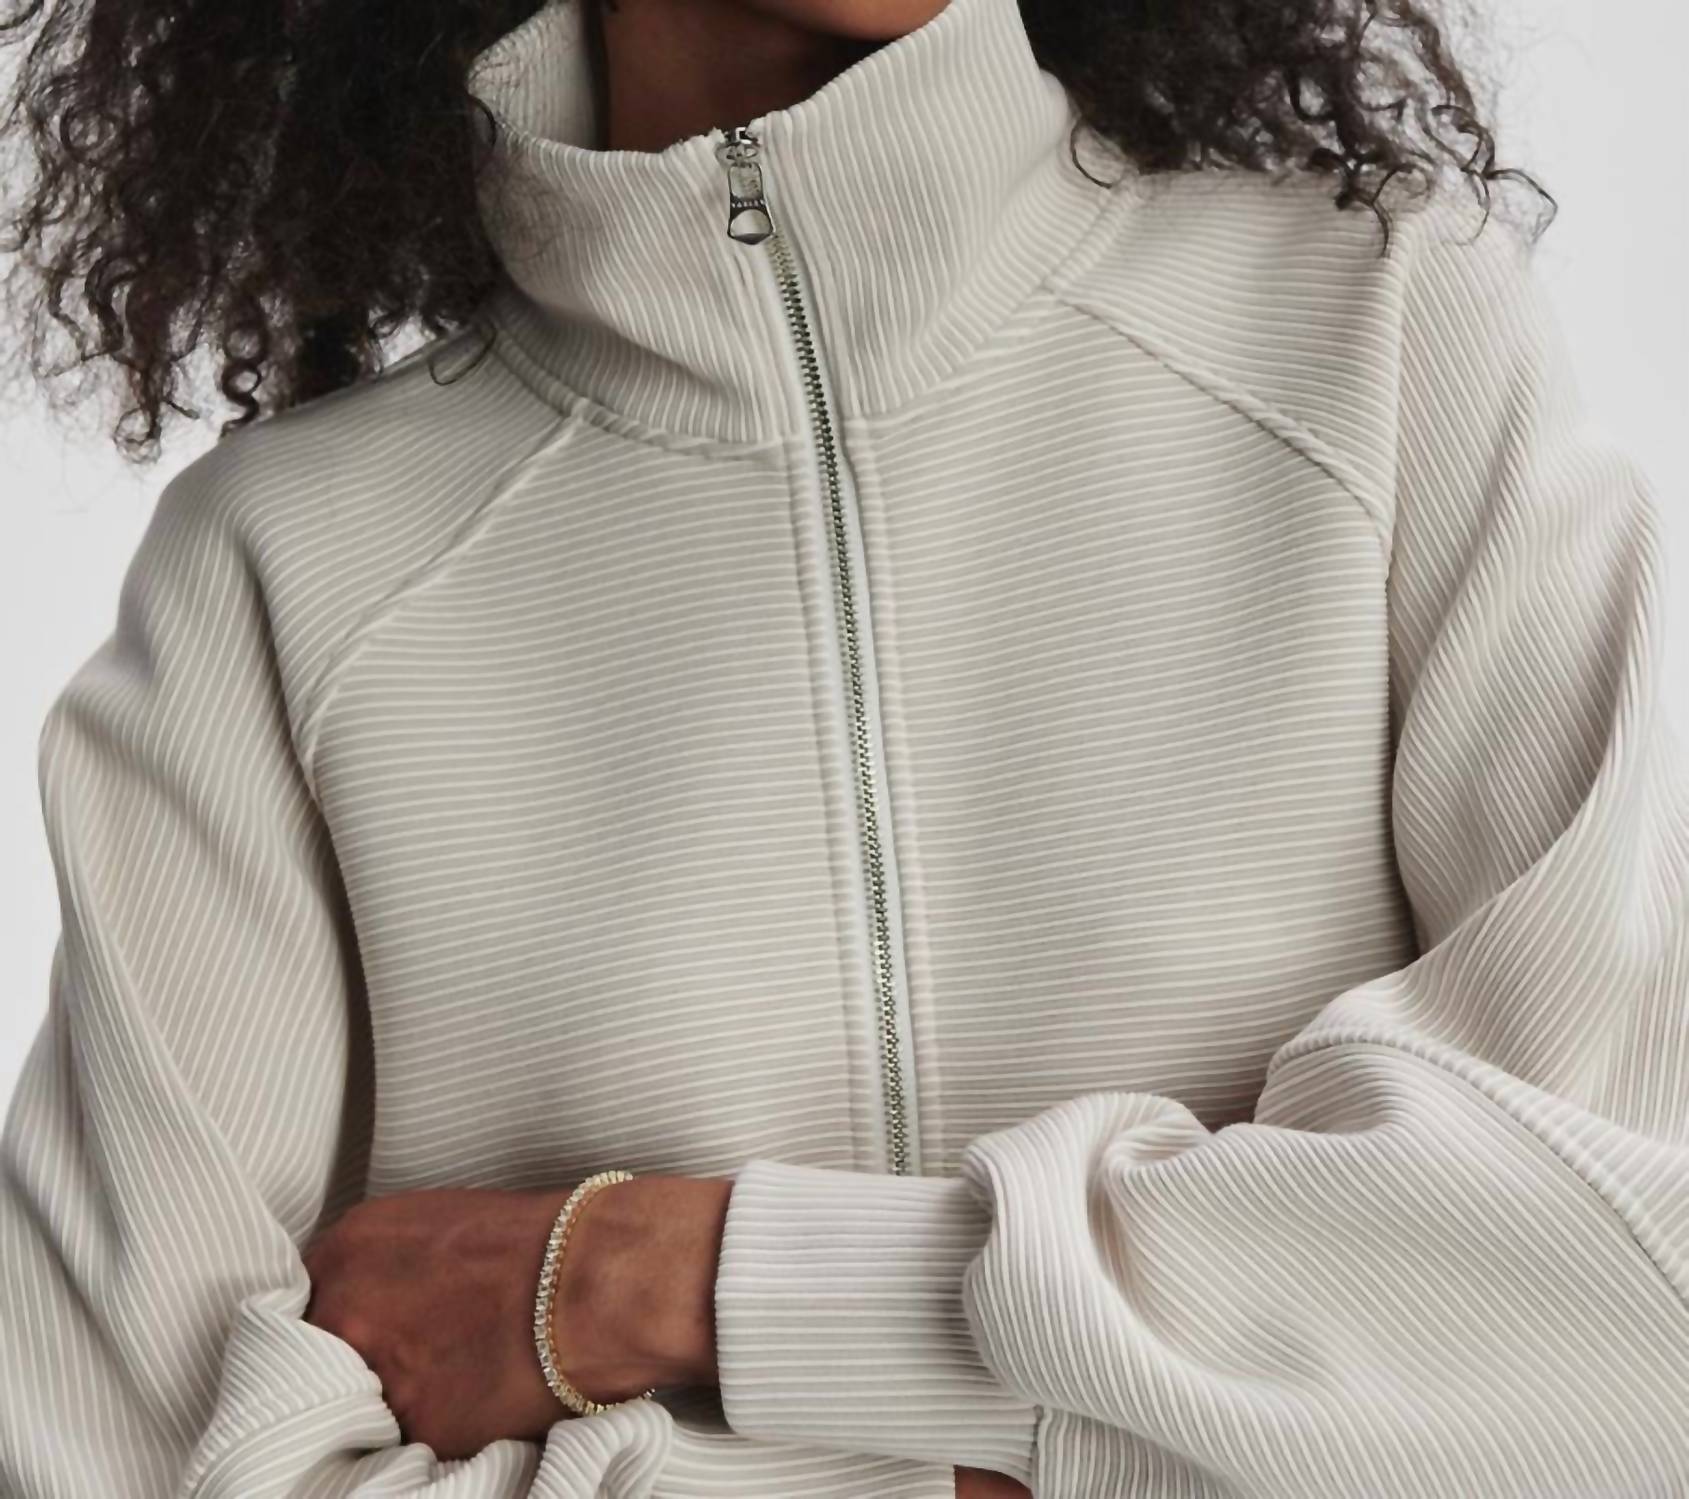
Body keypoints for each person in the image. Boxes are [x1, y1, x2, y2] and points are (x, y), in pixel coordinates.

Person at [1, 0, 1685, 1494]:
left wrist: (669, 1278)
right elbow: (117, 1455)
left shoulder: (1376, 339)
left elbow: (1638, 1328)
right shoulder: (287, 578)